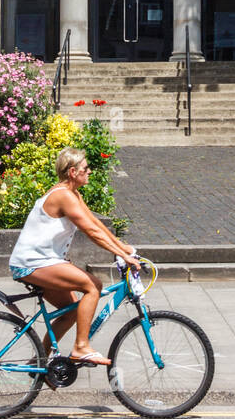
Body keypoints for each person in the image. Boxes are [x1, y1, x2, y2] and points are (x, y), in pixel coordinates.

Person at [8, 146, 141, 368]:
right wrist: (121, 255)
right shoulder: (63, 196)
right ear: (72, 172)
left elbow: (95, 223)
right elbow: (91, 232)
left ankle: (37, 363)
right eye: (85, 168)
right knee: (93, 286)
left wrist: (122, 247)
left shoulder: (72, 194)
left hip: (45, 261)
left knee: (70, 311)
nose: (89, 172)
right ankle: (81, 347)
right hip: (33, 264)